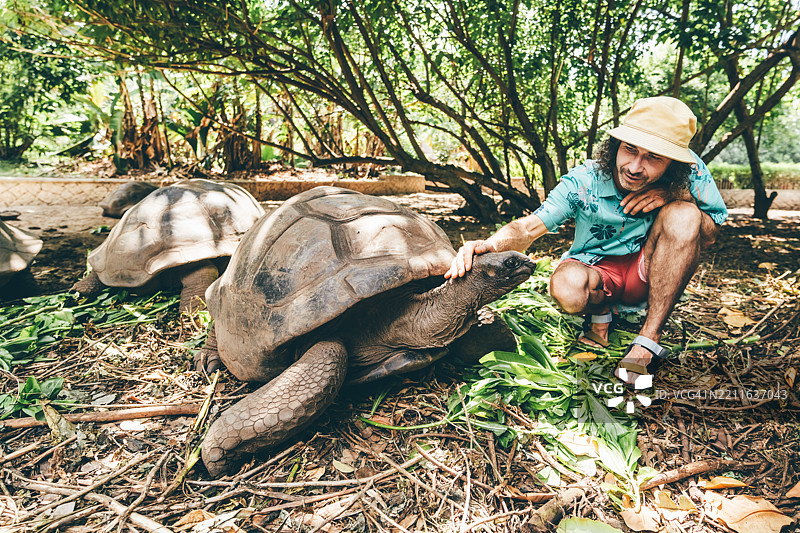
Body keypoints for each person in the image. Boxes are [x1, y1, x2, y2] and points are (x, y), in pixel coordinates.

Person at [445, 96, 728, 386]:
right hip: (596, 270)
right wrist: (490, 244)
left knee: (685, 214)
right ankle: (600, 315)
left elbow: (707, 236)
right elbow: (529, 228)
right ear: (616, 146)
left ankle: (648, 338)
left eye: (654, 157)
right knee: (566, 286)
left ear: (673, 165)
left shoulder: (690, 173)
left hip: (652, 269)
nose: (635, 166)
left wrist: (676, 196)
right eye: (630, 149)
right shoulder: (585, 180)